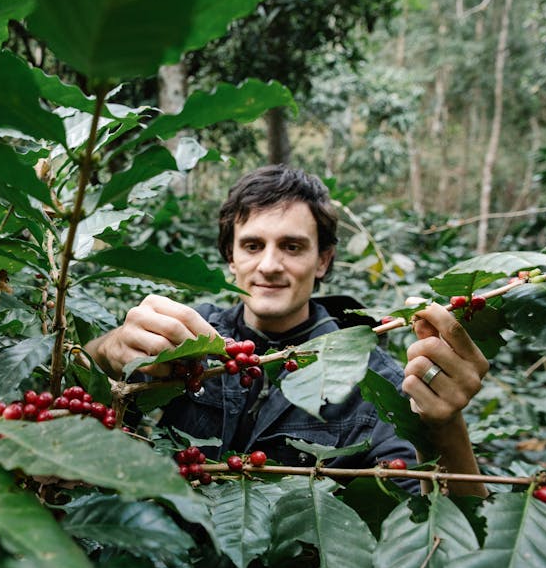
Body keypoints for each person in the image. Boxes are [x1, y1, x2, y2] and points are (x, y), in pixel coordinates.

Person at [85, 165, 489, 496]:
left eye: (292, 247)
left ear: (323, 261)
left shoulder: (374, 380)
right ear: (231, 258)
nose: (270, 265)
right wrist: (108, 351)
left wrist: (445, 428)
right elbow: (78, 404)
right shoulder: (187, 338)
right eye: (253, 246)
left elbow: (430, 514)